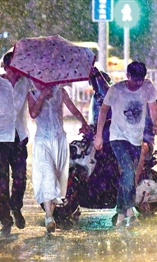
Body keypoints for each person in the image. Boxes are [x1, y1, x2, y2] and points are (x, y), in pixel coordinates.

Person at [94, 61, 157, 228]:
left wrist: (155, 123)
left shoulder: (148, 87)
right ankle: (129, 210)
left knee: (127, 175)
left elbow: (153, 106)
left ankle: (120, 213)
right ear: (127, 76)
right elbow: (103, 112)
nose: (137, 84)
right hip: (118, 137)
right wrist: (99, 136)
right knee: (129, 170)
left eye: (140, 80)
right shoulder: (116, 90)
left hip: (136, 138)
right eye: (134, 79)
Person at [0, 52, 32, 238]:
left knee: (20, 178)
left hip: (18, 138)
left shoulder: (24, 83)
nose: (17, 73)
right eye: (14, 68)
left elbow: (39, 89)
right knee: (2, 183)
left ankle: (16, 207)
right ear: (6, 67)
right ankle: (5, 219)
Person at [27, 81, 90, 233]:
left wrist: (83, 122)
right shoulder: (32, 94)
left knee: (57, 179)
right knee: (47, 175)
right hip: (43, 141)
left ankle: (52, 214)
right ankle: (49, 217)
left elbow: (72, 108)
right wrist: (42, 95)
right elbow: (33, 113)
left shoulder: (60, 92)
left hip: (59, 140)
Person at [134, 97, 157, 185]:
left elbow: (156, 121)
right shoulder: (128, 98)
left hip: (146, 140)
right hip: (126, 137)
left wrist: (156, 125)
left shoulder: (156, 102)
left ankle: (133, 185)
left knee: (141, 149)